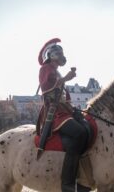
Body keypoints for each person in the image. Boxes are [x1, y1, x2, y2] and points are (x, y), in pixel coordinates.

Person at [36, 38, 90, 192]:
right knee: (79, 133)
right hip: (54, 113)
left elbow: (63, 94)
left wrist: (73, 108)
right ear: (50, 55)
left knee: (86, 127)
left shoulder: (56, 70)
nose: (61, 55)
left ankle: (84, 178)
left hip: (65, 109)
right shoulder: (45, 69)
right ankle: (67, 183)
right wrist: (65, 78)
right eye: (58, 53)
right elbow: (47, 88)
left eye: (62, 53)